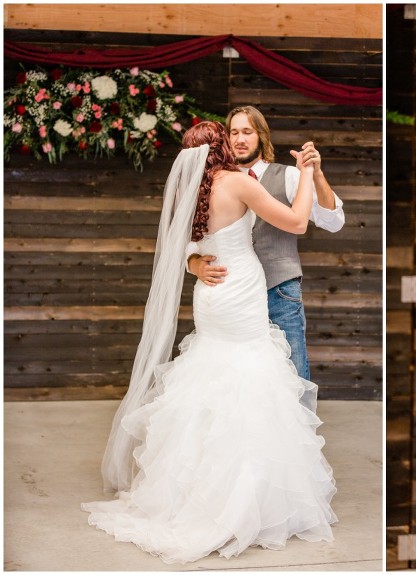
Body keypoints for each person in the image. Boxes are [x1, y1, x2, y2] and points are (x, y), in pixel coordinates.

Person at [82, 121, 337, 564]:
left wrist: (197, 260)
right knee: (249, 379)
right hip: (239, 292)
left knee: (210, 374)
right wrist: (306, 181)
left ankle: (192, 490)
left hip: (212, 296)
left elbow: (189, 242)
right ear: (221, 147)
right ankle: (243, 501)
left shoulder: (193, 191)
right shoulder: (237, 183)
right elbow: (297, 222)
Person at [186, 106, 345, 381]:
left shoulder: (288, 175)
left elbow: (334, 221)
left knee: (292, 372)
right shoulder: (210, 184)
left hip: (279, 290)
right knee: (238, 376)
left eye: (247, 132)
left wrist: (315, 174)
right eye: (233, 132)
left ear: (262, 137)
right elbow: (190, 238)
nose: (239, 139)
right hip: (233, 296)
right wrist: (193, 263)